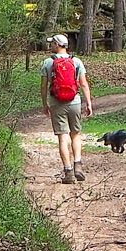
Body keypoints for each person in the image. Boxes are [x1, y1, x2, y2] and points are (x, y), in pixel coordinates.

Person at [40, 34, 90, 183]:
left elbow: (43, 86)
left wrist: (45, 104)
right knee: (76, 134)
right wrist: (88, 103)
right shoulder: (76, 61)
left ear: (57, 45)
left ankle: (68, 172)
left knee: (63, 137)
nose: (51, 46)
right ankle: (78, 165)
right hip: (74, 102)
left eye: (52, 43)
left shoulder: (48, 62)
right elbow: (84, 84)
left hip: (56, 103)